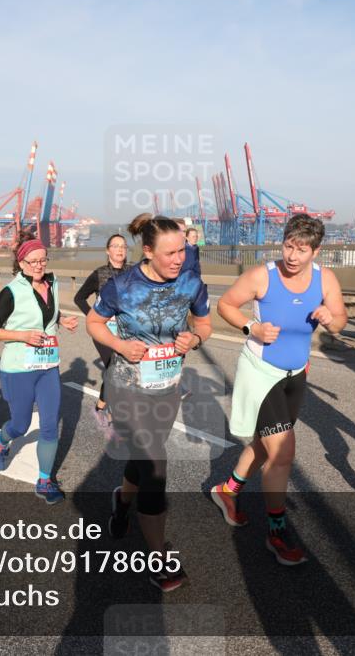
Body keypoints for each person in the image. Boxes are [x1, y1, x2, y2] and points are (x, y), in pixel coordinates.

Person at [210, 215, 347, 565]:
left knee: (264, 444)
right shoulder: (262, 276)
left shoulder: (324, 279)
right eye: (288, 245)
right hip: (261, 373)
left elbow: (341, 317)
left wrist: (332, 320)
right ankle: (277, 529)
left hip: (295, 374)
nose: (292, 255)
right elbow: (225, 304)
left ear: (316, 251)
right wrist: (251, 327)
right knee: (283, 453)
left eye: (302, 250)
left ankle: (227, 490)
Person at [86, 214, 212, 592]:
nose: (178, 259)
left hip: (167, 386)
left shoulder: (191, 282)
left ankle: (122, 503)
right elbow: (94, 322)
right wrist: (121, 345)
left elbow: (204, 324)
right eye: (170, 253)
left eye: (182, 251)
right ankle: (157, 559)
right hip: (127, 387)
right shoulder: (122, 286)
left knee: (143, 460)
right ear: (148, 251)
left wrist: (196, 340)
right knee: (155, 465)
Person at [0, 234, 79, 504]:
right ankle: (2, 440)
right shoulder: (10, 292)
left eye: (43, 260)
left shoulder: (53, 282)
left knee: (50, 425)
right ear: (21, 263)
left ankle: (45, 480)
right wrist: (22, 335)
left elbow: (46, 310)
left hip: (48, 366)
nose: (39, 265)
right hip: (18, 368)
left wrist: (62, 319)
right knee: (21, 425)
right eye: (33, 261)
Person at [73, 233, 130, 433]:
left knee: (120, 369)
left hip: (126, 330)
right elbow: (79, 298)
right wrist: (94, 318)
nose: (120, 249)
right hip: (104, 331)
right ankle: (108, 411)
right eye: (115, 246)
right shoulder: (100, 274)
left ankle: (103, 406)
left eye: (123, 246)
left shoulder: (133, 272)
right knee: (114, 367)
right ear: (108, 251)